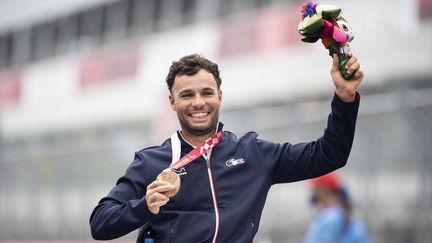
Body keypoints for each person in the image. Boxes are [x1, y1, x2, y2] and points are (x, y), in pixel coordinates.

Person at [89, 52, 363, 242]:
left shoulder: (253, 153)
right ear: (172, 102)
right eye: (187, 95)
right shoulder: (151, 162)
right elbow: (100, 224)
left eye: (207, 93)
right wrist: (145, 206)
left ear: (220, 97)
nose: (198, 102)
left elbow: (330, 154)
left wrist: (345, 98)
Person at [303, 172, 371, 243]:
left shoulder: (332, 218)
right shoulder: (334, 215)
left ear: (325, 189)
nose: (314, 191)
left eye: (316, 187)